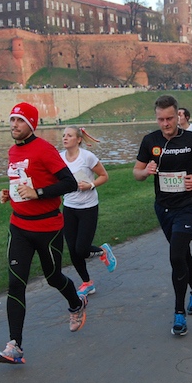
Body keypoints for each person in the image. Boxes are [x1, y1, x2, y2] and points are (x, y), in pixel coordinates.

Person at [0, 103, 87, 365]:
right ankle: (15, 346)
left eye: (20, 120)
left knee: (53, 277)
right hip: (19, 227)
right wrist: (10, 194)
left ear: (31, 124)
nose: (14, 125)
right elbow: (23, 181)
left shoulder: (44, 149)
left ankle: (76, 303)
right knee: (16, 284)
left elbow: (69, 183)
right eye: (12, 119)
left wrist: (39, 194)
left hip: (47, 228)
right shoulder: (13, 151)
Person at [134, 95, 192, 337]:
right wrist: (145, 171)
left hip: (188, 206)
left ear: (178, 116)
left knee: (176, 255)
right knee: (181, 253)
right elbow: (136, 172)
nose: (166, 124)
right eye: (161, 119)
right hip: (163, 208)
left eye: (170, 118)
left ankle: (179, 312)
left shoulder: (191, 139)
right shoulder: (150, 140)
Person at [60, 126, 116, 299]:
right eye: (63, 135)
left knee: (82, 249)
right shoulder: (59, 158)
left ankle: (102, 251)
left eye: (69, 135)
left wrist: (90, 185)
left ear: (78, 139)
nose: (65, 138)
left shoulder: (87, 157)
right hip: (69, 207)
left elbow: (104, 176)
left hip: (88, 207)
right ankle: (87, 283)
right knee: (72, 250)